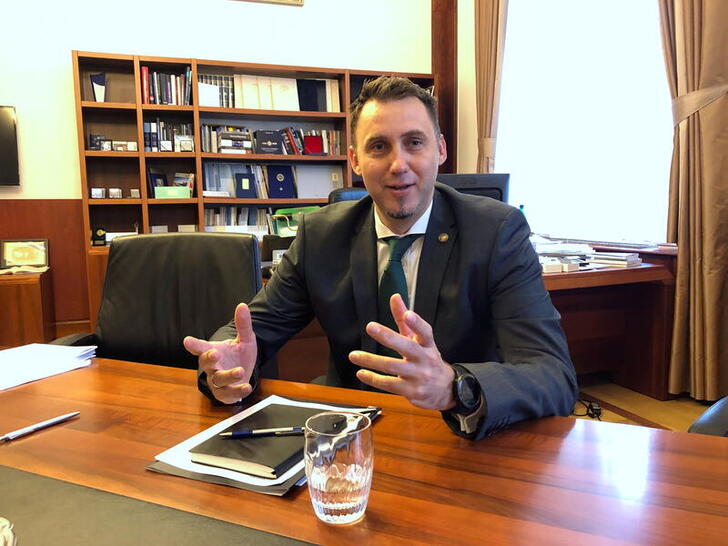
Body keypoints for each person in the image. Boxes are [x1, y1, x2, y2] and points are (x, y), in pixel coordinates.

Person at [184, 76, 577, 440]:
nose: (398, 164)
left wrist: (454, 386)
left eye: (414, 142)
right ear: (355, 160)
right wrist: (225, 367)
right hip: (351, 433)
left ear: (440, 150)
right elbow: (252, 333)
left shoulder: (496, 232)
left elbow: (552, 375)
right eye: (379, 146)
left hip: (458, 434)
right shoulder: (321, 234)